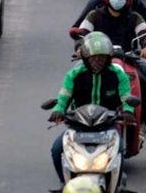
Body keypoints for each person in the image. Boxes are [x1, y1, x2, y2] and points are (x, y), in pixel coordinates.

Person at [48, 32, 134, 185]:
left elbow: (127, 97)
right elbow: (63, 97)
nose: (97, 61)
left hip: (108, 126)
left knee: (119, 150)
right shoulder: (74, 75)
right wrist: (58, 110)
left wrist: (128, 111)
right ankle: (65, 183)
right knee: (56, 149)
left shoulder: (118, 74)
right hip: (78, 126)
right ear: (85, 58)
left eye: (101, 57)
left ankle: (117, 185)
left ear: (108, 57)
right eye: (93, 58)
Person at [76, 0, 146, 131]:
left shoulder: (135, 17)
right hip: (97, 57)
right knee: (76, 71)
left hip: (128, 58)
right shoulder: (94, 15)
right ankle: (74, 110)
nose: (118, 0)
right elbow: (82, 33)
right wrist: (79, 48)